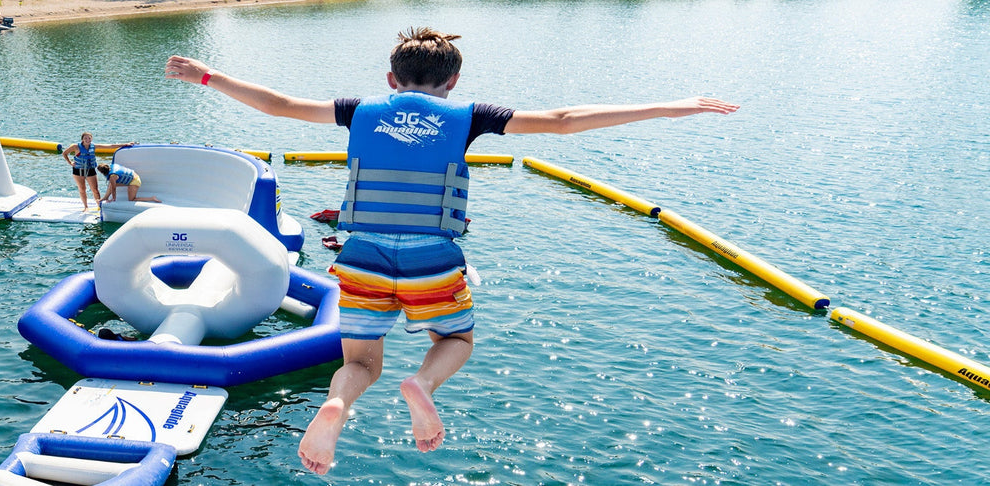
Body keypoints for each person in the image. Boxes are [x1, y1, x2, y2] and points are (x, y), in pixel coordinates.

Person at [165, 28, 738, 475]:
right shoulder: (470, 118)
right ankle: (422, 385)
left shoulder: (359, 111)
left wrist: (207, 75)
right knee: (455, 340)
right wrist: (667, 106)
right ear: (454, 82)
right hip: (431, 260)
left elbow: (279, 104)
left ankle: (337, 405)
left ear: (391, 79)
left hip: (362, 257)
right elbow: (563, 122)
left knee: (360, 364)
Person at [61, 133, 134, 210]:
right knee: (82, 189)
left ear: (91, 139)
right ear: (82, 139)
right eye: (85, 138)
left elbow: (110, 146)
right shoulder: (75, 147)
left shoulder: (94, 146)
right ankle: (86, 207)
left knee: (95, 190)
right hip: (78, 170)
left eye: (89, 138)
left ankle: (99, 206)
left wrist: (125, 144)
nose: (87, 140)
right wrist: (70, 162)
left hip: (90, 170)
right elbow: (65, 153)